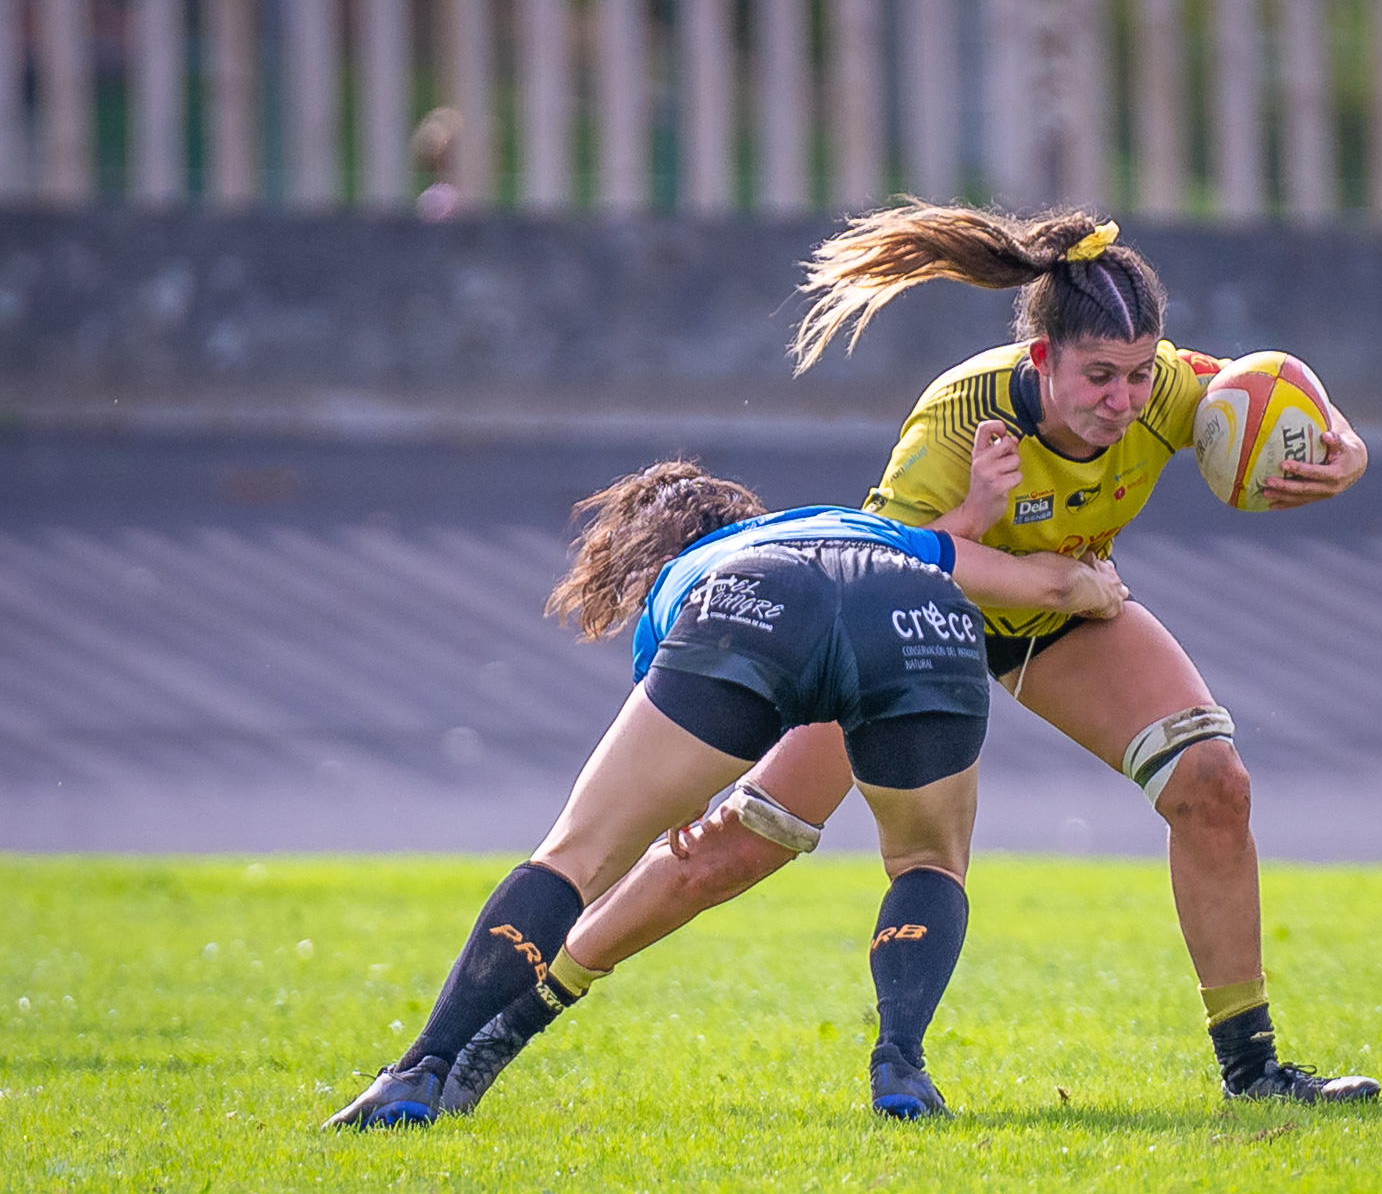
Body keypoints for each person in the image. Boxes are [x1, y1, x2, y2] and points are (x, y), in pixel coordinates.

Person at [445, 203, 1381, 1114]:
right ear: (1042, 359)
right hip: (909, 631)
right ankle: (504, 1027)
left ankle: (1253, 1069)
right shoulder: (959, 415)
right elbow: (890, 564)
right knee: (727, 850)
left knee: (1213, 784)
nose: (1124, 401)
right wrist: (997, 534)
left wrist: (1348, 453)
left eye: (1139, 375)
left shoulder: (1165, 388)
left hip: (1064, 614)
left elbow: (1268, 385)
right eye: (1100, 377)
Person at [324, 459, 1128, 1128]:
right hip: (919, 609)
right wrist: (1099, 590)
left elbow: (675, 764)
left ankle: (420, 1070)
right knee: (928, 861)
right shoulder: (859, 527)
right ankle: (900, 1066)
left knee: (574, 856)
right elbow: (1045, 587)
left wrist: (683, 808)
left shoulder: (694, 572)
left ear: (655, 553)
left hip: (753, 603)